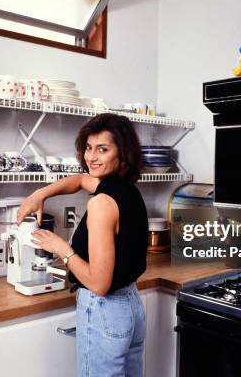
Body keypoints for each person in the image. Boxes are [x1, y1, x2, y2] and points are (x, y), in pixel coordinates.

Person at [17, 113, 148, 377]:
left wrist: (61, 247)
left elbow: (98, 284)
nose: (91, 157)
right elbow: (78, 180)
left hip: (105, 309)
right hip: (131, 306)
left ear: (122, 154)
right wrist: (40, 194)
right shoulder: (124, 189)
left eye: (103, 149)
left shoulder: (101, 203)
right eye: (88, 148)